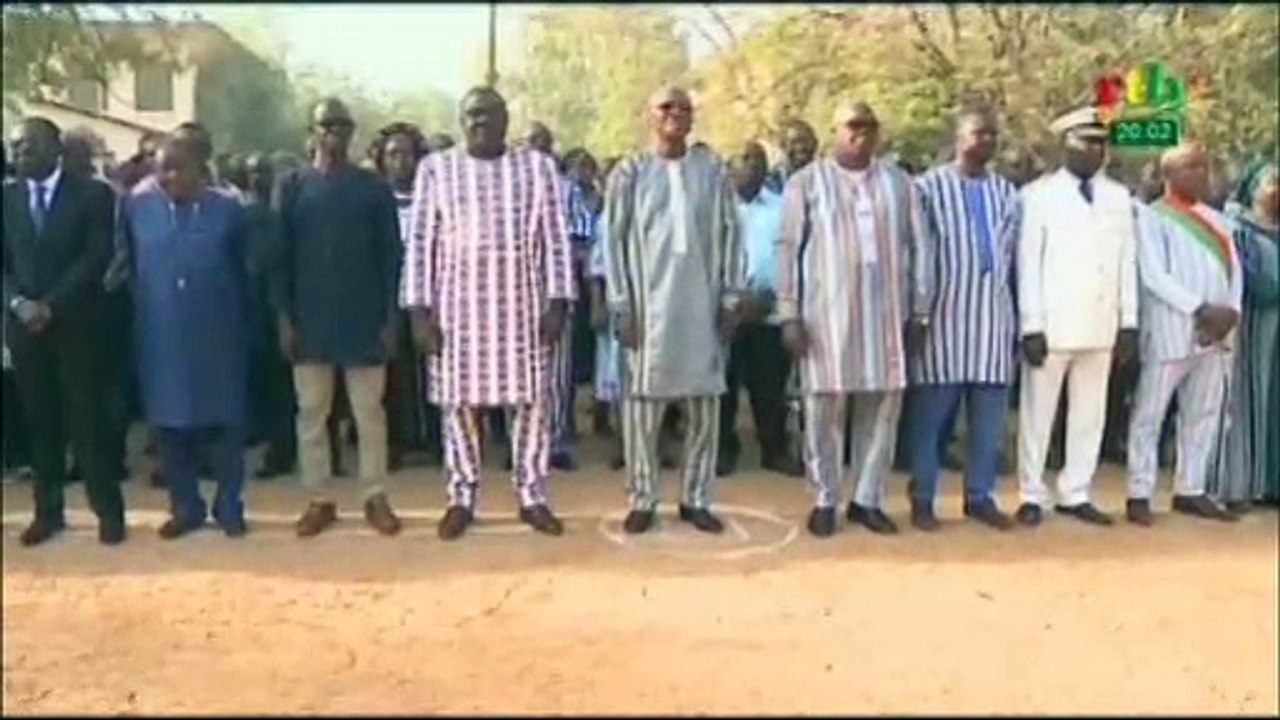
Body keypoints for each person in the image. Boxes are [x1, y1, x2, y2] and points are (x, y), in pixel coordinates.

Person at [403, 86, 574, 540]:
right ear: (461, 122)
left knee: (532, 403)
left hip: (523, 307)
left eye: (488, 114)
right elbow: (421, 244)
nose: (479, 122)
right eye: (470, 115)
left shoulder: (537, 168)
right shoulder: (436, 170)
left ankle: (532, 495)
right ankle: (461, 496)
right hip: (456, 311)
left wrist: (558, 303)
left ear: (505, 119)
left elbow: (556, 240)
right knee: (458, 406)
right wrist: (419, 312)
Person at [777, 101, 933, 538]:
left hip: (885, 317)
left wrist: (920, 311)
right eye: (851, 125)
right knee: (824, 407)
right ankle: (825, 497)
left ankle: (867, 498)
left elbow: (921, 247)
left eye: (868, 125)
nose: (860, 133)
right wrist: (789, 312)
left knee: (882, 408)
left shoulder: (900, 184)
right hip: (826, 318)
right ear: (835, 131)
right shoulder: (806, 183)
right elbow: (788, 249)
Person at [603, 84, 744, 535]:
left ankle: (696, 498)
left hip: (702, 306)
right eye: (666, 106)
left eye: (684, 108)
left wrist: (730, 298)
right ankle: (643, 497)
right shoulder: (630, 172)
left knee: (704, 406)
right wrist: (620, 303)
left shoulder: (711, 171)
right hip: (650, 308)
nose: (675, 114)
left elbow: (732, 234)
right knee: (643, 408)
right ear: (650, 114)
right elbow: (613, 241)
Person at [274, 98, 404, 538]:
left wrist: (390, 320)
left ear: (352, 133)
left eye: (340, 126)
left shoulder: (372, 188)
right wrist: (284, 319)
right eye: (324, 126)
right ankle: (319, 499)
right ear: (311, 132)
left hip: (365, 321)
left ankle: (375, 495)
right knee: (311, 414)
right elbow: (279, 260)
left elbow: (392, 259)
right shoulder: (292, 186)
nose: (332, 134)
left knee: (369, 414)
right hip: (309, 322)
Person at [3, 116, 126, 546]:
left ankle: (108, 512)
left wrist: (51, 305)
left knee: (86, 421)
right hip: (24, 328)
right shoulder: (7, 198)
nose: (20, 154)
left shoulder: (92, 195)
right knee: (41, 424)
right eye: (16, 147)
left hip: (76, 326)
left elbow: (95, 259)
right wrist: (19, 303)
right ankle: (48, 513)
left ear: (55, 149)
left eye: (29, 146)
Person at [1015, 107, 1140, 527]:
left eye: (1099, 142)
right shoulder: (1038, 196)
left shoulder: (1119, 197)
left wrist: (1129, 321)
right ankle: (1032, 492)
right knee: (1038, 413)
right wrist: (1030, 324)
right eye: (1084, 141)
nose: (1094, 149)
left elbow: (1127, 262)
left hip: (1101, 320)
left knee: (1091, 412)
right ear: (1063, 145)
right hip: (1052, 323)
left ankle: (1076, 490)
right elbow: (1028, 264)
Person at [122, 137, 252, 538]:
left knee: (226, 424)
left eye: (179, 168)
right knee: (170, 425)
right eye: (163, 168)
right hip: (161, 333)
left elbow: (247, 269)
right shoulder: (137, 208)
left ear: (202, 169)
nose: (170, 176)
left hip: (218, 332)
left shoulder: (228, 210)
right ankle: (185, 506)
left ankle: (229, 505)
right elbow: (124, 261)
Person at [908, 106, 1018, 532]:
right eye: (978, 133)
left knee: (988, 424)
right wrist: (917, 314)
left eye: (992, 134)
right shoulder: (928, 188)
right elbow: (917, 254)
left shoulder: (1007, 193)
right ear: (959, 137)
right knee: (932, 421)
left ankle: (980, 497)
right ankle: (922, 498)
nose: (986, 140)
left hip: (993, 321)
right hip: (942, 321)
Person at [1124, 143, 1243, 526]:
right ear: (1168, 175)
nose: (1200, 175)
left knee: (1205, 412)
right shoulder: (1152, 217)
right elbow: (1155, 276)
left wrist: (1230, 312)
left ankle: (1190, 487)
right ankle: (1139, 491)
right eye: (1190, 168)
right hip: (1173, 328)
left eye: (1203, 168)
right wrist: (1200, 310)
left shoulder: (1219, 221)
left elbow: (1234, 272)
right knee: (1150, 413)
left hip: (1217, 333)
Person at [717, 140, 803, 479]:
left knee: (770, 387)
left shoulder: (782, 208)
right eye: (745, 157)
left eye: (759, 160)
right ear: (730, 166)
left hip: (768, 309)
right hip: (725, 312)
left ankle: (774, 449)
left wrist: (768, 296)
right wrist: (731, 302)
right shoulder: (715, 208)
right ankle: (724, 448)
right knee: (723, 386)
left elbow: (791, 257)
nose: (752, 165)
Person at [1210, 160, 1278, 510]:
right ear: (1253, 189)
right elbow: (1251, 280)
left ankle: (1272, 484)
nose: (1276, 191)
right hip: (1250, 326)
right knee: (1246, 402)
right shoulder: (1238, 229)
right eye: (1271, 183)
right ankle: (1240, 485)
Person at [375, 122, 441, 469]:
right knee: (393, 374)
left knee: (432, 367)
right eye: (393, 155)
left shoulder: (433, 198)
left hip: (428, 296)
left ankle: (435, 439)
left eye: (407, 154)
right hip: (387, 298)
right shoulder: (374, 199)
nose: (400, 162)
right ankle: (397, 442)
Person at [765, 119, 818, 193]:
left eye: (805, 141)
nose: (801, 147)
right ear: (783, 146)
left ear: (815, 144)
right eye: (794, 142)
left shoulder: (827, 179)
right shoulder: (772, 182)